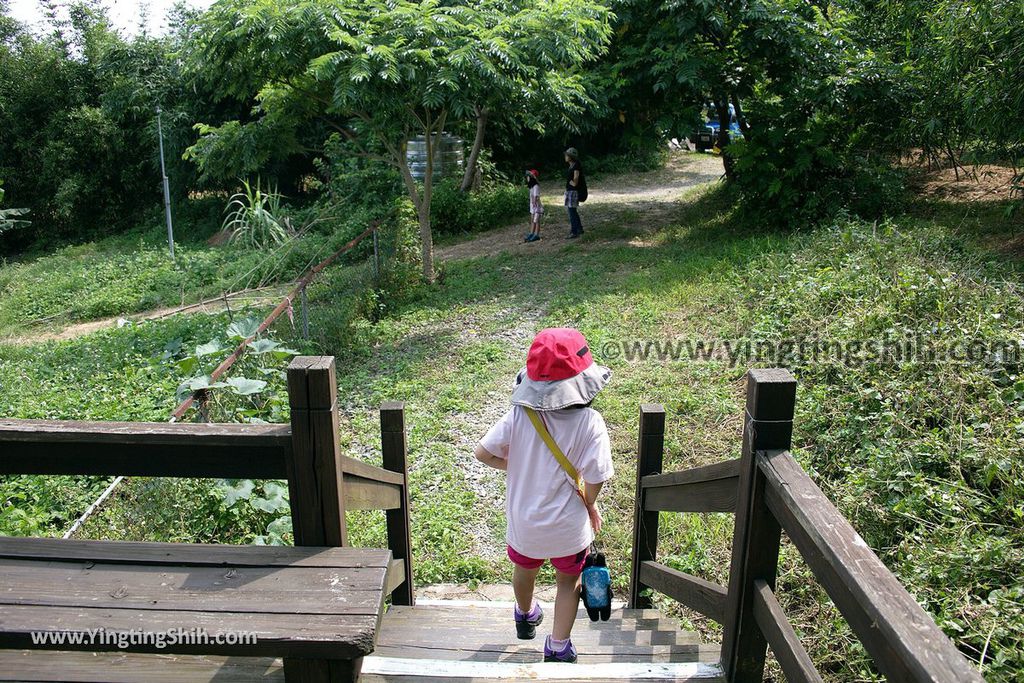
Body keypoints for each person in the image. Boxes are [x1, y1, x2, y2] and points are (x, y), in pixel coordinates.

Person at [474, 328, 614, 663]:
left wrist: (518, 465)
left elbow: (483, 452)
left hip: (525, 524)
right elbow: (595, 478)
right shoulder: (590, 422)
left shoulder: (522, 414)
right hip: (568, 528)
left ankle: (525, 613)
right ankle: (558, 645)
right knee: (568, 582)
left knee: (525, 571)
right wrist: (589, 503)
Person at [564, 148, 584, 238]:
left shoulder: (576, 165)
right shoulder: (572, 165)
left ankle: (574, 232)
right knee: (573, 211)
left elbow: (576, 177)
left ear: (571, 157)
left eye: (567, 155)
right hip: (570, 191)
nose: (565, 156)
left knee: (572, 211)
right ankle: (579, 229)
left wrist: (573, 183)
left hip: (573, 191)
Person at [525, 169, 543, 243]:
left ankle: (536, 235)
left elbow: (536, 197)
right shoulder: (531, 187)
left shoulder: (535, 186)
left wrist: (535, 204)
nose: (527, 178)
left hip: (537, 207)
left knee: (537, 220)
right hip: (532, 207)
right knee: (532, 220)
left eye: (528, 177)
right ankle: (531, 233)